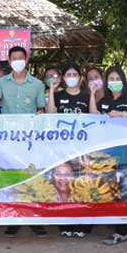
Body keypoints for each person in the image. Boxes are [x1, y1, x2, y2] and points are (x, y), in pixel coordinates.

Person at [0, 46, 47, 238]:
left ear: (26, 59)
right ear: (9, 60)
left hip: (30, 140)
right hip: (9, 139)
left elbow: (41, 110)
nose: (18, 61)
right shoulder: (2, 82)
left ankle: (34, 219)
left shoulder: (37, 84)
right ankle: (14, 218)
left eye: (21, 57)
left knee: (33, 177)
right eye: (14, 58)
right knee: (12, 178)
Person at [89, 66, 127, 245]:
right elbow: (93, 118)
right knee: (111, 189)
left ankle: (122, 230)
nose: (114, 82)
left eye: (116, 78)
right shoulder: (104, 101)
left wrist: (124, 115)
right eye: (110, 79)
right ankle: (122, 224)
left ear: (123, 80)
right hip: (108, 154)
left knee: (125, 189)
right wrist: (92, 95)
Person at [45, 64, 91, 238]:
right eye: (68, 74)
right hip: (62, 149)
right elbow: (50, 113)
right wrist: (51, 90)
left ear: (80, 78)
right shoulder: (58, 96)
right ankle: (65, 223)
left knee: (80, 185)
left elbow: (94, 115)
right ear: (63, 78)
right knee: (63, 186)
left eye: (74, 74)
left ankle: (83, 224)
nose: (71, 77)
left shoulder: (87, 97)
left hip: (83, 148)